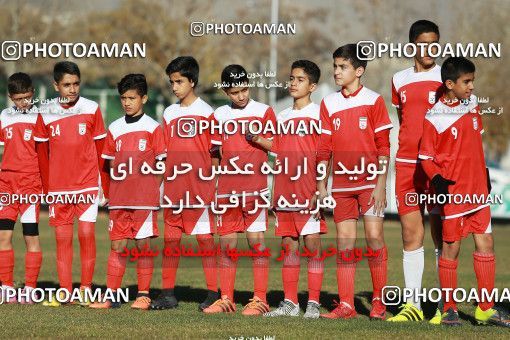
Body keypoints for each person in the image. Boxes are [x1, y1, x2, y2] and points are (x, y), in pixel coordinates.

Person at [419, 57, 510, 327]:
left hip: (478, 192)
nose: (471, 87)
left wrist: (483, 174)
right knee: (451, 249)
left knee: (486, 245)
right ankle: (448, 309)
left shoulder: (472, 105)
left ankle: (485, 308)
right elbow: (425, 157)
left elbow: (475, 145)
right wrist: (437, 179)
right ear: (449, 84)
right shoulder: (434, 117)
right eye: (466, 82)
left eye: (473, 81)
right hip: (454, 194)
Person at [317, 44, 392, 320]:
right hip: (342, 186)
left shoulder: (374, 100)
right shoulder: (329, 103)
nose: (336, 71)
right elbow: (324, 148)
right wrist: (322, 184)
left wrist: (381, 183)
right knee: (346, 243)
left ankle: (378, 303)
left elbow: (384, 146)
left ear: (358, 71)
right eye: (335, 66)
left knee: (374, 238)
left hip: (370, 182)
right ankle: (347, 305)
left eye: (343, 67)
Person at [203, 64, 276, 315]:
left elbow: (276, 146)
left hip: (254, 187)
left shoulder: (264, 111)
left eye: (245, 89)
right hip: (226, 189)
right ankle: (226, 299)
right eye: (235, 92)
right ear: (225, 91)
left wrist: (256, 138)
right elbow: (214, 154)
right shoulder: (219, 115)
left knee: (256, 242)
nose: (242, 96)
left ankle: (260, 300)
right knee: (226, 244)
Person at [34, 61, 108, 306]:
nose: (72, 89)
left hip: (87, 183)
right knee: (62, 239)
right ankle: (65, 291)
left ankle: (86, 288)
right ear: (56, 86)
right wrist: (46, 188)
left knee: (86, 233)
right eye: (67, 85)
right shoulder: (44, 113)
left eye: (76, 83)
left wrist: (104, 185)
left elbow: (101, 150)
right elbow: (42, 154)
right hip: (58, 187)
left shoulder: (92, 108)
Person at [90, 74, 166, 310]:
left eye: (132, 98)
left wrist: (152, 188)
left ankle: (143, 295)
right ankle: (111, 296)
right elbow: (109, 164)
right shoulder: (115, 127)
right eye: (123, 98)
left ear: (144, 98)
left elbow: (162, 164)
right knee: (117, 247)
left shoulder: (154, 128)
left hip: (144, 199)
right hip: (119, 199)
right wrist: (110, 190)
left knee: (142, 246)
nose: (127, 103)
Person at [258, 60, 326, 319]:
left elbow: (323, 156)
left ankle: (314, 303)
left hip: (308, 189)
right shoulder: (282, 117)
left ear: (313, 86)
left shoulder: (319, 115)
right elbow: (278, 152)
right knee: (289, 245)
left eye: (299, 79)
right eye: (291, 78)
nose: (293, 83)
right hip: (284, 191)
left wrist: (319, 190)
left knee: (313, 245)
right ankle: (290, 302)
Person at [150, 56, 218, 311]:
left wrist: (214, 183)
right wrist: (157, 185)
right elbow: (164, 155)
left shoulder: (208, 112)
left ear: (192, 81)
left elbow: (215, 154)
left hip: (199, 188)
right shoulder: (169, 113)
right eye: (172, 82)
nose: (174, 86)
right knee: (171, 241)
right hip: (174, 189)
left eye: (179, 81)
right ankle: (168, 294)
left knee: (204, 240)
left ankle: (213, 293)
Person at [388, 19, 444, 323]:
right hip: (408, 164)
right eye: (423, 43)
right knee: (411, 233)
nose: (429, 48)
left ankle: (440, 306)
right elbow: (405, 118)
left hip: (437, 167)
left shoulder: (446, 77)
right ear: (412, 46)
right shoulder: (398, 79)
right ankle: (411, 306)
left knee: (440, 234)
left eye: (434, 42)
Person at [0, 73, 45, 304]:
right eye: (18, 99)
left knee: (30, 236)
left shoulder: (40, 117)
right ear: (10, 98)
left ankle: (29, 289)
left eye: (27, 98)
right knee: (3, 235)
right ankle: (6, 288)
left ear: (33, 94)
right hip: (6, 183)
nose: (23, 103)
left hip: (30, 183)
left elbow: (45, 154)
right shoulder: (4, 116)